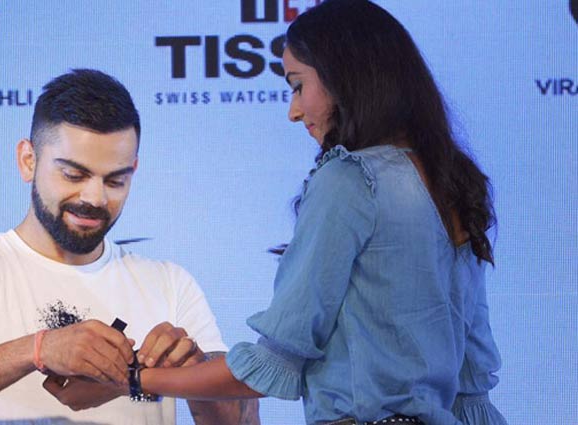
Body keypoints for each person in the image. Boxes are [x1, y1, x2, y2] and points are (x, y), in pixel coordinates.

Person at [135, 1, 509, 424]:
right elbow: (473, 388)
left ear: (343, 77)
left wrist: (135, 380)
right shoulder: (453, 180)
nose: (293, 112)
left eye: (297, 86)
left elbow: (273, 363)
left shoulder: (350, 179)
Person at [0, 69, 258, 425]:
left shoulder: (171, 284)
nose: (94, 198)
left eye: (115, 181)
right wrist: (38, 349)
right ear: (28, 161)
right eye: (74, 175)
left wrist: (192, 370)